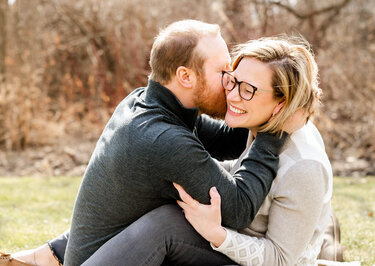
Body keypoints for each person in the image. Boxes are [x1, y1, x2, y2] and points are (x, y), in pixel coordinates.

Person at [3, 20, 303, 266]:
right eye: (223, 73)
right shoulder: (163, 140)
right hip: (112, 258)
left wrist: (266, 103)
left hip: (102, 254)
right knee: (174, 222)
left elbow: (227, 140)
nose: (230, 83)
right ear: (185, 76)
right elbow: (238, 208)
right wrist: (274, 130)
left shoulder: (143, 103)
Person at [72, 36, 334, 266]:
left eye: (248, 90)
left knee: (165, 223)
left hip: (246, 254)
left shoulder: (304, 164)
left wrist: (218, 235)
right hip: (221, 244)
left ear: (281, 104)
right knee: (167, 205)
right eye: (232, 80)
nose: (230, 95)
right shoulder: (259, 125)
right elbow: (236, 167)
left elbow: (279, 259)